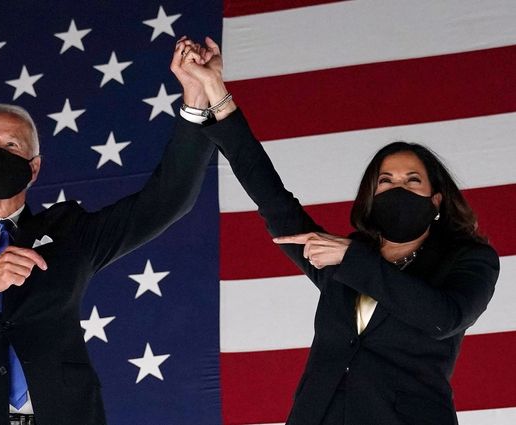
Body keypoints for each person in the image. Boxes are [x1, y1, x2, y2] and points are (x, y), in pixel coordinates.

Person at [0, 40, 213, 425]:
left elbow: (168, 200)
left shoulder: (69, 232)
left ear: (35, 167)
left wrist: (195, 101)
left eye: (11, 145)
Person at [177, 38, 500, 424]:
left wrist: (353, 259)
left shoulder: (467, 259)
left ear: (436, 200)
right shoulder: (343, 258)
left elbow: (443, 318)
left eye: (413, 180)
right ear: (371, 196)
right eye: (386, 181)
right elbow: (274, 202)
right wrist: (218, 97)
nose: (398, 188)